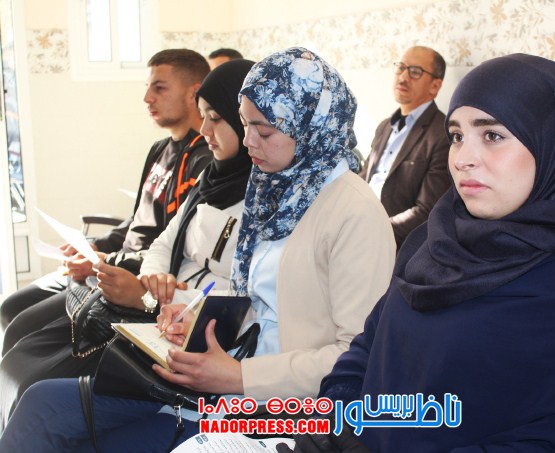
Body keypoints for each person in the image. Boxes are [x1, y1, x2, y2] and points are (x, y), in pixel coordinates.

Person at [0, 47, 396, 452]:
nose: (248, 141)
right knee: (41, 405)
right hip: (217, 376)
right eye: (244, 124)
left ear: (310, 127)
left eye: (263, 131)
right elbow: (257, 303)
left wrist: (239, 377)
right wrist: (193, 316)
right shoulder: (274, 188)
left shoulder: (354, 213)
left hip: (272, 409)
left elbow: (359, 359)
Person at [281, 54, 555, 452]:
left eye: (492, 136)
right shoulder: (433, 243)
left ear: (551, 143)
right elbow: (369, 345)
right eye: (457, 136)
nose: (463, 159)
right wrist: (337, 422)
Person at [0, 58, 255, 433]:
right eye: (204, 117)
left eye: (215, 118)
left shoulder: (257, 200)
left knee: (37, 390)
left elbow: (239, 299)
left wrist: (146, 295)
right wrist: (148, 278)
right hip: (152, 304)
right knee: (20, 349)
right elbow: (161, 242)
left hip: (177, 325)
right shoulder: (210, 178)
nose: (205, 130)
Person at [0, 49, 213, 352]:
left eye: (159, 88)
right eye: (148, 88)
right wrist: (94, 246)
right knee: (11, 307)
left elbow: (176, 248)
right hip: (109, 265)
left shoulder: (202, 160)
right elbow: (136, 220)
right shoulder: (159, 149)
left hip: (131, 280)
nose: (147, 98)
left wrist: (103, 262)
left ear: (194, 93)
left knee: (22, 331)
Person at [360, 46, 451, 248]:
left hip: (389, 243)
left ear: (435, 86)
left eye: (415, 72)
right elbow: (363, 179)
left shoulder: (441, 135)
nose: (403, 77)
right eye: (401, 68)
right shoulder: (384, 126)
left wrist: (372, 232)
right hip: (356, 224)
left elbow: (427, 212)